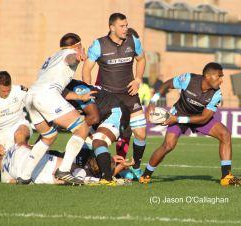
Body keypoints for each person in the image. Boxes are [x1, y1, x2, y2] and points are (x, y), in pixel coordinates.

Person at [139, 62, 241, 186]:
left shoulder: (216, 94)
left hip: (197, 118)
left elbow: (204, 118)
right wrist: (153, 102)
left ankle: (226, 176)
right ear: (208, 76)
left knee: (225, 134)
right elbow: (167, 84)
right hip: (179, 113)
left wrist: (177, 120)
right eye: (219, 76)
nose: (222, 80)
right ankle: (146, 175)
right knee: (168, 145)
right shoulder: (188, 79)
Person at [17, 33, 95, 185]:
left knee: (48, 136)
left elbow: (58, 87)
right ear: (77, 45)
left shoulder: (52, 58)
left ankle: (25, 176)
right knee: (82, 128)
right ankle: (64, 170)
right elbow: (70, 58)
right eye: (80, 46)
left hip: (31, 97)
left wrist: (79, 97)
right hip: (46, 96)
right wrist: (77, 56)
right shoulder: (70, 53)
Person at [82, 13, 147, 180]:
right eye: (122, 26)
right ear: (112, 27)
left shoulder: (134, 42)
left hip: (129, 95)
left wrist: (138, 79)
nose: (126, 29)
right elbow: (87, 68)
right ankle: (89, 166)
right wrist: (87, 91)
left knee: (140, 134)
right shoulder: (99, 45)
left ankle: (136, 167)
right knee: (96, 136)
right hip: (108, 99)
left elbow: (141, 59)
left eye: (126, 25)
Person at [64, 79, 130, 184]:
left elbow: (94, 118)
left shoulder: (78, 89)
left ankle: (107, 179)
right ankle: (112, 171)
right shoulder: (55, 92)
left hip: (113, 111)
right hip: (97, 116)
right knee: (81, 152)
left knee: (98, 141)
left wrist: (69, 127)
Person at [0, 144, 133, 185]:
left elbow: (14, 182)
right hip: (46, 160)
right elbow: (28, 146)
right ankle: (108, 176)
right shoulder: (13, 149)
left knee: (67, 177)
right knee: (72, 173)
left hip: (36, 173)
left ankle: (108, 175)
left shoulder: (4, 174)